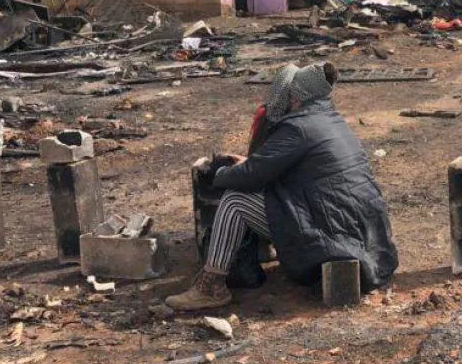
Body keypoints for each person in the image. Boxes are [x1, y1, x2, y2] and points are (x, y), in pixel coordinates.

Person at [166, 63, 399, 310]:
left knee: (236, 200)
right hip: (361, 232)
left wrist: (218, 173)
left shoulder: (298, 128)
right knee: (265, 195)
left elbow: (250, 177)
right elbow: (291, 167)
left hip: (333, 232)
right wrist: (252, 164)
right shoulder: (328, 120)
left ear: (296, 97)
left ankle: (210, 287)